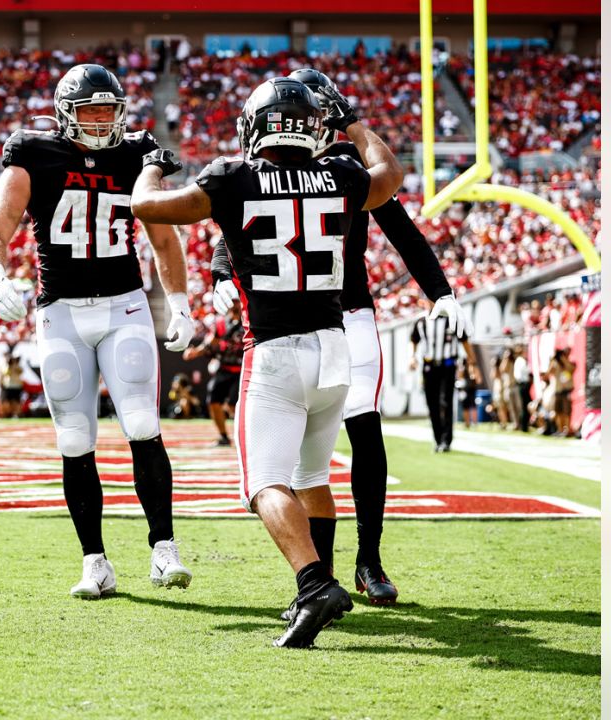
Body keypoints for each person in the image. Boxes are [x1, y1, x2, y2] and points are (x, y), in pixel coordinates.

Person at [130, 77, 404, 647]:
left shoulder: (235, 176)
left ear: (256, 127)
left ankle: (313, 585)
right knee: (311, 477)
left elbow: (146, 205)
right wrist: (352, 123)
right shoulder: (342, 173)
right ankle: (321, 583)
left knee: (263, 484)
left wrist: (152, 165)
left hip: (277, 352)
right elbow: (388, 175)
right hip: (336, 349)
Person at [206, 68, 468, 607]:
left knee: (363, 430)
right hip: (297, 322)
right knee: (308, 464)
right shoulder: (291, 169)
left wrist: (439, 291)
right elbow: (237, 229)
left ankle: (367, 559)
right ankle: (319, 579)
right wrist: (219, 275)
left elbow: (401, 229)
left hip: (346, 315)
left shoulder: (344, 169)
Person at [0, 64, 197, 599]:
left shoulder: (135, 156)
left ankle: (163, 548)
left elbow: (164, 240)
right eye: (90, 111)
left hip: (124, 306)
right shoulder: (33, 153)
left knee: (143, 424)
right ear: (65, 114)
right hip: (63, 312)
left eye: (108, 111)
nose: (101, 122)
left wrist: (181, 304)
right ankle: (95, 562)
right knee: (75, 440)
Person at [410, 298, 482, 452]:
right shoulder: (421, 322)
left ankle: (446, 440)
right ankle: (437, 439)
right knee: (432, 404)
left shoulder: (451, 320)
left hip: (448, 366)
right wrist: (412, 356)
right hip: (429, 366)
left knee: (446, 402)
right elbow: (414, 340)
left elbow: (464, 341)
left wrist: (473, 364)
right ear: (424, 302)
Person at [182, 295, 244, 446]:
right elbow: (211, 342)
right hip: (225, 367)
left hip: (243, 369)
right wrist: (195, 352)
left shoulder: (249, 320)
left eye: (236, 301)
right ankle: (223, 436)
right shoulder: (221, 322)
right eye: (232, 301)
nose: (234, 305)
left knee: (234, 405)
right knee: (213, 400)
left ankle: (245, 435)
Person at [550, 348, 576, 436]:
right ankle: (560, 429)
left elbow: (571, 369)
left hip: (566, 391)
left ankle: (567, 430)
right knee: (558, 411)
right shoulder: (555, 363)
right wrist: (553, 360)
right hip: (558, 390)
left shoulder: (571, 362)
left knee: (566, 411)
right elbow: (549, 372)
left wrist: (564, 360)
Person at [0, 349, 25, 419]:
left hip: (17, 386)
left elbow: (20, 371)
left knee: (16, 401)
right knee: (6, 401)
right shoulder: (4, 365)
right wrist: (9, 365)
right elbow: (6, 373)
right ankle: (6, 414)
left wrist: (14, 365)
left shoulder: (18, 366)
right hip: (7, 386)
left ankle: (16, 414)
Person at [513, 344, 532, 432]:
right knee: (525, 406)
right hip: (523, 385)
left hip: (521, 385)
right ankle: (524, 426)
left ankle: (523, 425)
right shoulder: (521, 361)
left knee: (524, 405)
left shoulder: (518, 360)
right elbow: (527, 371)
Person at [456, 356, 479, 429]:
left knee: (473, 407)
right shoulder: (462, 369)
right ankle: (467, 423)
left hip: (471, 390)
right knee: (465, 407)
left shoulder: (472, 368)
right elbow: (459, 377)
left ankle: (475, 423)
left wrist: (472, 366)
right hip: (465, 391)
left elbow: (476, 378)